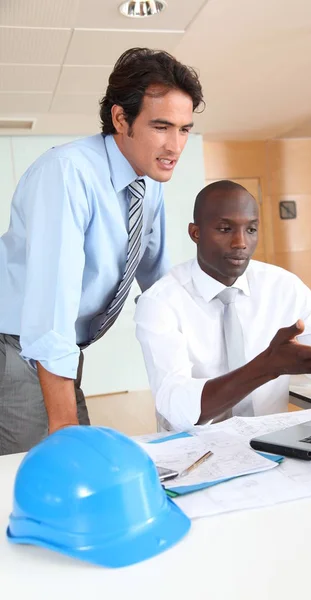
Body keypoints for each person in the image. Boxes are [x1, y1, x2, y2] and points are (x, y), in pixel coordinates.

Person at [0, 47, 204, 455]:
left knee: (76, 459)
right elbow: (49, 307)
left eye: (184, 129)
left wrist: (202, 376)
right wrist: (63, 424)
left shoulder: (147, 185)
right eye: (162, 126)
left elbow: (158, 284)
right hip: (18, 343)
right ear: (120, 118)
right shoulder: (68, 173)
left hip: (62, 351)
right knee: (35, 469)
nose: (175, 145)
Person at [135, 180, 311, 431]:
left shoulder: (284, 287)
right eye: (225, 229)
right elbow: (176, 405)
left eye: (251, 230)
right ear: (195, 233)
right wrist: (266, 367)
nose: (240, 242)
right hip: (192, 450)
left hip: (271, 443)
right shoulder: (160, 302)